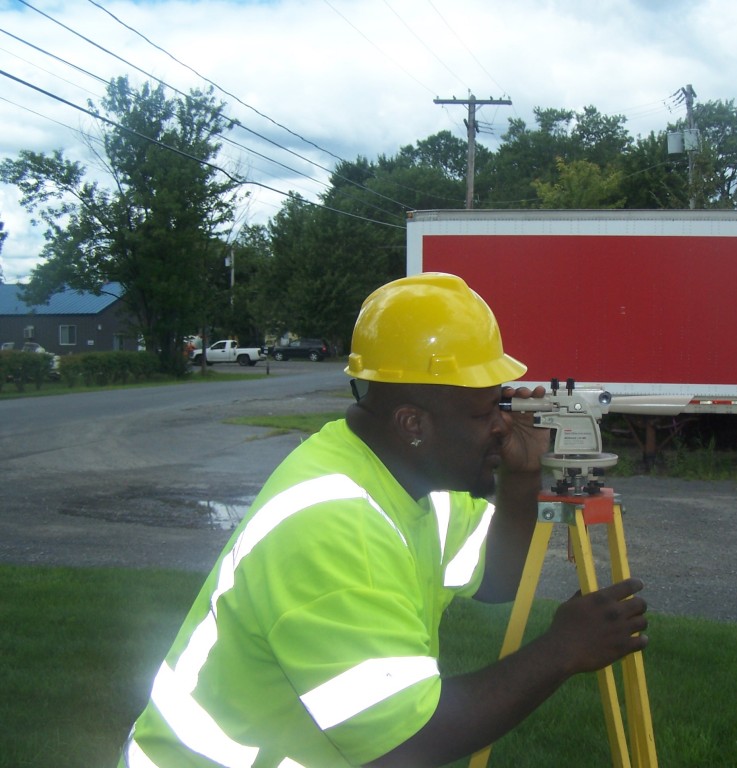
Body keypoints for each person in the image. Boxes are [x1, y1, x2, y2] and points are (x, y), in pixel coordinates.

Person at [120, 272, 648, 767]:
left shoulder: (402, 479)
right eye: (485, 411)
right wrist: (560, 652)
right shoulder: (333, 527)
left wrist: (521, 477)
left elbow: (494, 578)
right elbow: (403, 746)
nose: (502, 426)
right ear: (413, 422)